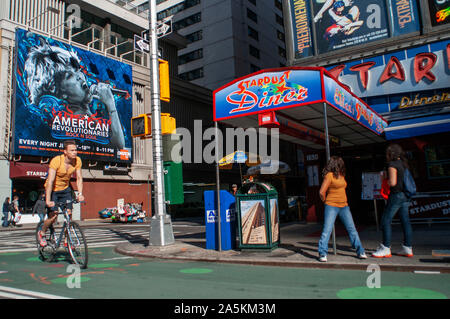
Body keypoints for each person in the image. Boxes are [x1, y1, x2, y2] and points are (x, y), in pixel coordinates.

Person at [24, 43, 125, 150]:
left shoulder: (90, 115)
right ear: (55, 89)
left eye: (78, 71)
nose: (80, 77)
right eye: (70, 75)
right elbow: (118, 146)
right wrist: (111, 106)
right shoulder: (75, 119)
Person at [317, 156, 367, 262]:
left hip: (344, 206)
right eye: (341, 163)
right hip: (331, 206)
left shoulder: (341, 175)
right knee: (327, 230)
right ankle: (322, 253)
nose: (342, 165)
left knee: (352, 229)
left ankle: (360, 251)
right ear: (337, 164)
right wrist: (326, 202)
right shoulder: (329, 175)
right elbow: (322, 192)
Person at [38, 140, 85, 247]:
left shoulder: (77, 161)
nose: (75, 152)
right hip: (54, 190)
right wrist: (48, 200)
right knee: (53, 217)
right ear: (65, 152)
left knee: (68, 215)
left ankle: (66, 240)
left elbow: (79, 178)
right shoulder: (56, 161)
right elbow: (50, 181)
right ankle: (42, 233)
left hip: (65, 190)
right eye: (72, 150)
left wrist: (80, 194)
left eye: (76, 150)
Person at [372, 144, 413, 258]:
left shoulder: (392, 165)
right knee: (405, 221)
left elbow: (393, 183)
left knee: (385, 220)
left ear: (391, 154)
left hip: (396, 195)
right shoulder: (404, 164)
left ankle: (385, 248)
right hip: (405, 195)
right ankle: (407, 248)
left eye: (387, 153)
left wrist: (383, 179)